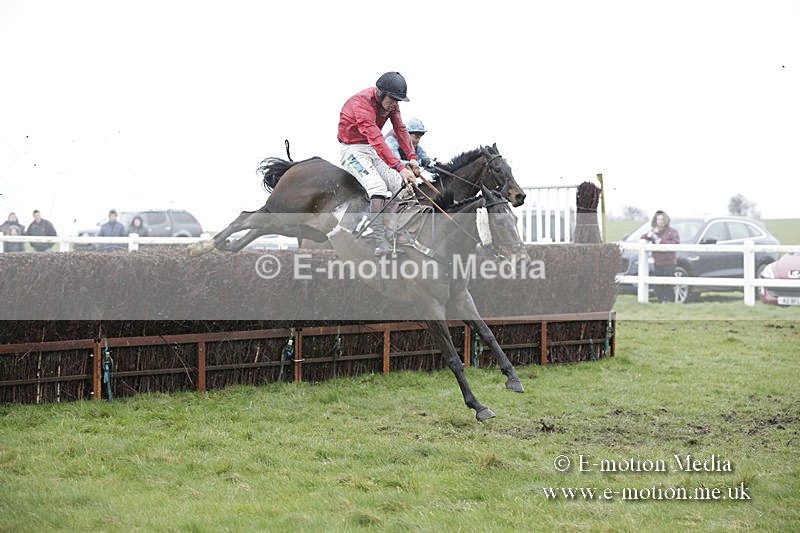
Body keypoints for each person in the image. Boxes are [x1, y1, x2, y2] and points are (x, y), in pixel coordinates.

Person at [338, 71, 421, 255]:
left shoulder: (392, 105)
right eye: (392, 99)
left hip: (372, 148)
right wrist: (400, 167)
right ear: (381, 93)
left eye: (398, 101)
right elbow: (377, 139)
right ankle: (379, 241)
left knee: (404, 186)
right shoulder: (361, 104)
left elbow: (400, 129)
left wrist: (412, 157)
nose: (395, 104)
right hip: (353, 150)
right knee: (378, 188)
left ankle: (406, 234)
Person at [641, 210, 680, 302]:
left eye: (662, 219)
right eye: (658, 219)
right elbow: (642, 238)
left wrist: (661, 242)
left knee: (669, 284)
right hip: (658, 262)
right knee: (658, 285)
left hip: (669, 262)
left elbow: (675, 243)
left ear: (666, 220)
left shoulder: (672, 232)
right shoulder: (655, 232)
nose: (660, 221)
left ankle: (670, 302)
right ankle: (660, 301)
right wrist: (648, 235)